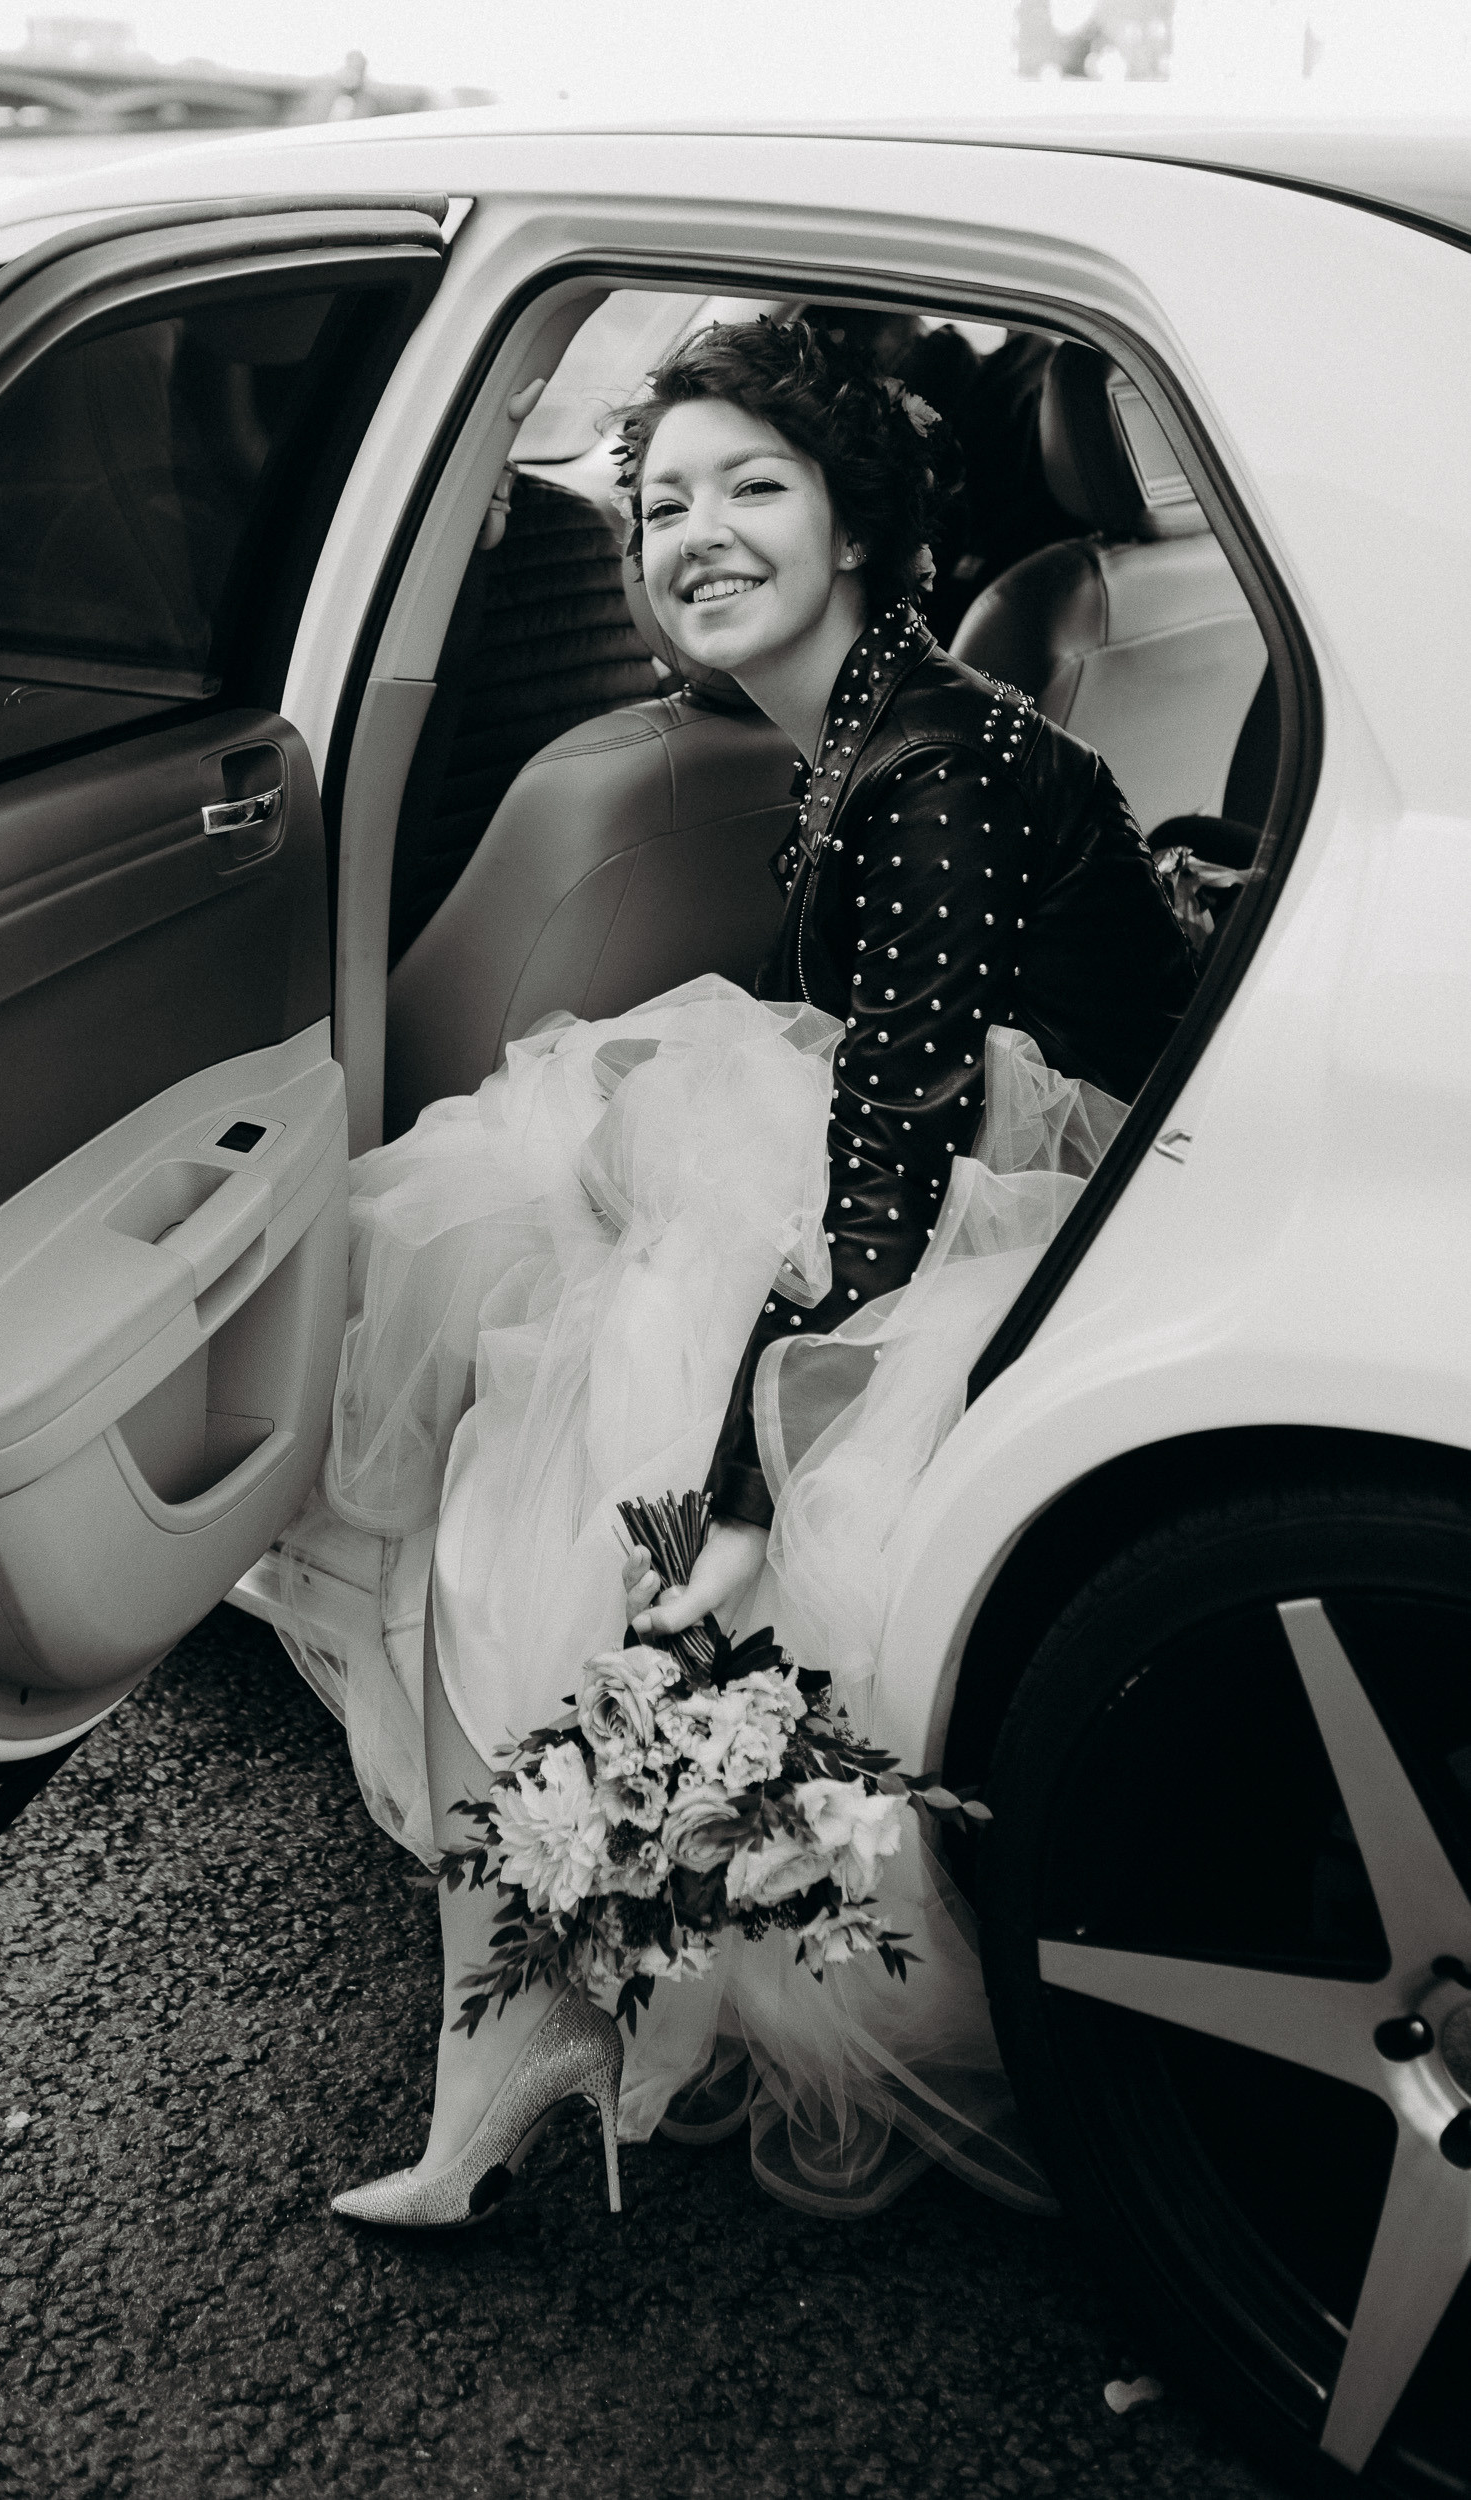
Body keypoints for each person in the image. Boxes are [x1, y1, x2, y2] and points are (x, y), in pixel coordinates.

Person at [271, 317, 1195, 2229]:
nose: (696, 532)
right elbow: (866, 1057)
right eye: (661, 504)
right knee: (546, 1271)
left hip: (1054, 1222)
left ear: (854, 523)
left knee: (571, 1426)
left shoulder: (928, 769)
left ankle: (535, 2026)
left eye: (752, 486)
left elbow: (890, 1180)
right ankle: (546, 2011)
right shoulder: (867, 716)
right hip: (997, 1158)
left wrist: (743, 1487)